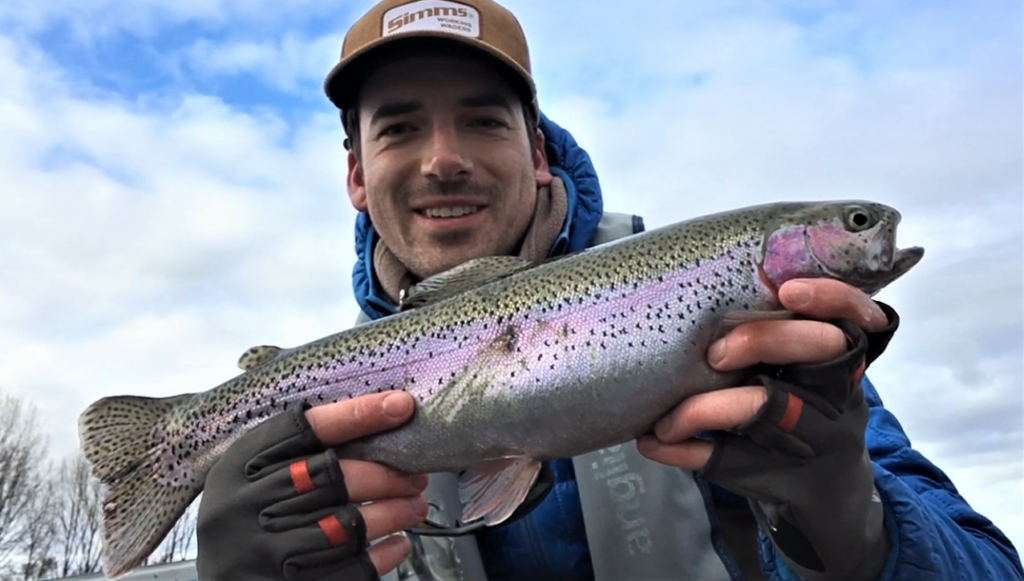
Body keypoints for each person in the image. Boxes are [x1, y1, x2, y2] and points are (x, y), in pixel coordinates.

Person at [193, 1, 1024, 580]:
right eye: (400, 126)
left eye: (484, 119)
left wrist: (858, 533)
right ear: (356, 176)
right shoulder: (316, 405)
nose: (444, 157)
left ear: (540, 151)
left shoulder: (781, 351)